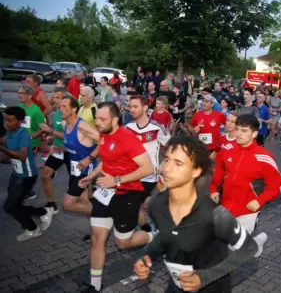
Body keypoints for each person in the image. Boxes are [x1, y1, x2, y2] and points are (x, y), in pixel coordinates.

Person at [134, 134, 257, 292]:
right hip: (177, 287)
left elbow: (249, 247)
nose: (166, 168)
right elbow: (166, 236)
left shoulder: (213, 214)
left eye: (178, 163)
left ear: (196, 171)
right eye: (166, 159)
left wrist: (204, 277)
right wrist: (146, 255)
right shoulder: (156, 205)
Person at [78, 102, 157, 292]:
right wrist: (92, 176)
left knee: (122, 243)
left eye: (102, 119)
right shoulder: (104, 136)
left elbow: (148, 168)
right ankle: (94, 286)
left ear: (115, 119)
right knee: (97, 237)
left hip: (127, 194)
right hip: (106, 194)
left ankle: (156, 236)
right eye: (96, 118)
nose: (97, 122)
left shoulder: (127, 138)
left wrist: (117, 180)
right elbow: (106, 161)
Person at [209, 114, 281, 256]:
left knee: (233, 250)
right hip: (225, 206)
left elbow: (277, 186)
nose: (238, 134)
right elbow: (218, 172)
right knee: (220, 245)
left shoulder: (264, 157)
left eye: (244, 131)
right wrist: (213, 189)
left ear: (254, 134)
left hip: (247, 211)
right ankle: (253, 244)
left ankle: (249, 247)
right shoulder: (227, 149)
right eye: (237, 129)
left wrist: (259, 201)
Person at [1, 106, 54, 241]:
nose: (6, 123)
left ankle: (42, 213)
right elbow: (8, 157)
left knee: (10, 206)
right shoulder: (9, 134)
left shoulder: (23, 135)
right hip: (17, 174)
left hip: (27, 176)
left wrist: (1, 148)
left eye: (10, 121)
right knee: (13, 205)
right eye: (5, 120)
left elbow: (22, 155)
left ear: (20, 121)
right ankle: (33, 227)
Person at [125, 95, 171, 232]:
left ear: (145, 108)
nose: (131, 110)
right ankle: (147, 229)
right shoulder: (128, 127)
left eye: (135, 106)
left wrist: (165, 164)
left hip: (149, 176)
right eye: (130, 106)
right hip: (132, 174)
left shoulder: (156, 127)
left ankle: (138, 233)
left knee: (132, 203)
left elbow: (170, 146)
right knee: (141, 205)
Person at [60, 95, 99, 216]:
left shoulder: (82, 126)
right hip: (75, 169)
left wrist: (89, 158)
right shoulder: (65, 125)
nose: (60, 108)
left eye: (64, 106)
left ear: (73, 109)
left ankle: (103, 214)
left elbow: (104, 141)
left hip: (85, 170)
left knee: (67, 204)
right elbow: (74, 146)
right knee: (83, 200)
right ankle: (97, 228)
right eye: (60, 106)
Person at [39, 87, 70, 213]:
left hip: (70, 152)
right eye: (54, 97)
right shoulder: (58, 111)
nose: (54, 100)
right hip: (57, 150)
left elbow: (70, 136)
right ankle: (51, 204)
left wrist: (50, 131)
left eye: (58, 97)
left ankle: (90, 200)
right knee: (45, 175)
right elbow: (58, 130)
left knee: (78, 183)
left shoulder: (69, 113)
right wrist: (51, 137)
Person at [17, 85, 45, 155]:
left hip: (32, 144)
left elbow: (43, 129)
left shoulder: (36, 111)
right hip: (19, 142)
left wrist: (30, 137)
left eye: (21, 93)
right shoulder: (19, 106)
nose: (18, 95)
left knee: (28, 164)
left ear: (29, 96)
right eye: (18, 93)